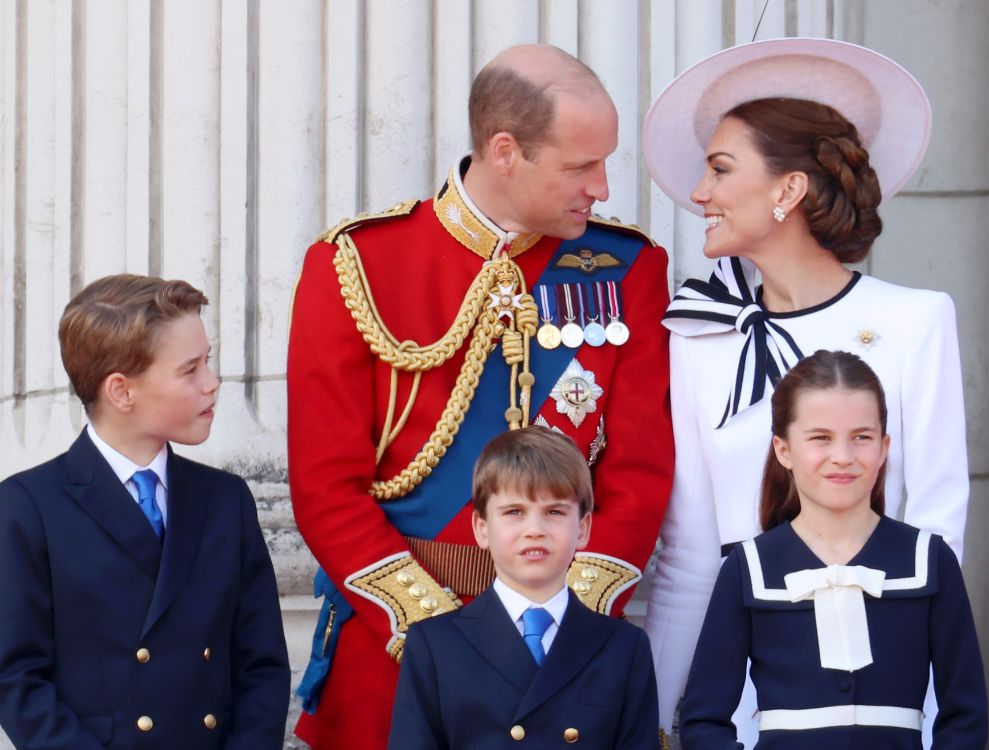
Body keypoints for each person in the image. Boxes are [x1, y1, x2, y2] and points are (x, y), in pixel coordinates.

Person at [288, 44, 673, 749]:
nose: (604, 187)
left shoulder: (630, 270)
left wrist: (559, 616)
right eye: (580, 166)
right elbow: (323, 486)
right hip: (395, 656)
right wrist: (441, 636)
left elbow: (639, 477)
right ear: (505, 151)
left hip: (565, 659)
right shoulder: (357, 265)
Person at [640, 38, 968, 744]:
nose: (700, 193)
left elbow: (937, 532)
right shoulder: (699, 335)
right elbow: (691, 550)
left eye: (720, 170)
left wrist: (932, 718)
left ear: (787, 190)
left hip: (880, 694)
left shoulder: (915, 321)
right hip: (745, 696)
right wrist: (662, 714)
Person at [0, 275, 290, 749]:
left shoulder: (226, 500)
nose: (212, 384)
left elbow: (261, 666)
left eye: (208, 362)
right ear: (122, 392)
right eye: (189, 369)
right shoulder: (29, 507)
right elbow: (18, 680)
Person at [679, 350, 987, 749]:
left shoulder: (929, 560)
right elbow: (704, 720)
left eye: (861, 437)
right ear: (784, 449)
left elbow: (966, 715)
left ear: (883, 447)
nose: (843, 457)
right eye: (820, 438)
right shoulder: (749, 567)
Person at [387, 427, 659, 749]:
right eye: (514, 512)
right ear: (482, 528)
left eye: (554, 512)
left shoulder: (624, 648)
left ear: (583, 529)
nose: (535, 530)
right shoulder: (435, 644)